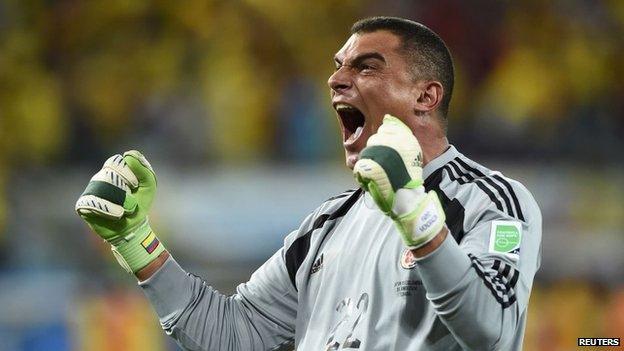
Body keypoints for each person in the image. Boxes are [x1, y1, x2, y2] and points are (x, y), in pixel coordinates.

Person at [75, 16, 542, 350]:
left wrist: (414, 213)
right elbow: (236, 335)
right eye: (339, 65)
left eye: (365, 67)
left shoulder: (490, 201)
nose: (335, 79)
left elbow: (493, 330)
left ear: (425, 95)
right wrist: (139, 245)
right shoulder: (325, 225)